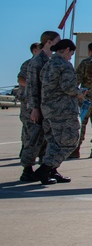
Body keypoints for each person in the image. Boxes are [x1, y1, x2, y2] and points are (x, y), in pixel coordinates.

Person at [33, 39, 87, 185]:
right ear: (67, 49)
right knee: (70, 142)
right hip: (64, 110)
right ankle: (45, 169)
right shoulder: (64, 66)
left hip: (48, 110)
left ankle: (51, 171)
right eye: (71, 53)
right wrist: (79, 93)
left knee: (53, 142)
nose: (71, 56)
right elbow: (68, 88)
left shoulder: (47, 65)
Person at [20, 31, 61, 182]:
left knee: (48, 140)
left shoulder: (50, 60)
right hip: (36, 108)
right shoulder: (37, 61)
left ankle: (49, 169)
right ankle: (27, 170)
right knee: (32, 140)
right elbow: (31, 87)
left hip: (47, 108)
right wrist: (34, 108)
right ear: (49, 42)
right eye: (58, 40)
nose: (60, 43)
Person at [17, 43, 41, 171]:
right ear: (34, 50)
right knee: (29, 130)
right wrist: (33, 85)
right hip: (28, 102)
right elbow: (20, 79)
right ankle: (26, 156)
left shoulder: (43, 63)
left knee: (35, 132)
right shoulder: (29, 63)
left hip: (38, 101)